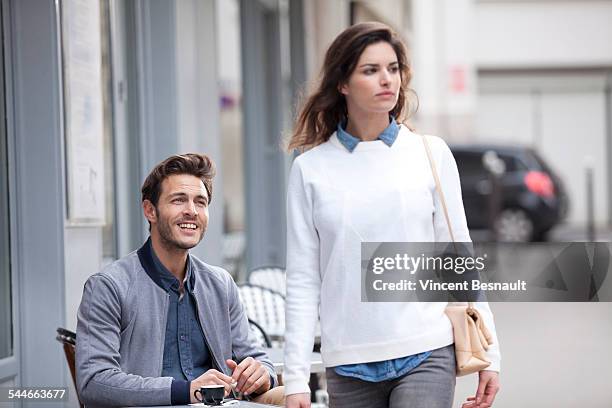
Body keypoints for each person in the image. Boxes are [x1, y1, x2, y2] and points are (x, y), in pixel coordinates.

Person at [283, 22, 501, 408]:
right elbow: (303, 278)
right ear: (343, 83)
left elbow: (458, 257)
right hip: (348, 364)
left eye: (393, 68)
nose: (387, 79)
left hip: (427, 351)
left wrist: (490, 354)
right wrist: (297, 377)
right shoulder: (310, 169)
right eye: (370, 70)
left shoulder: (430, 153)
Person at [76, 153, 284, 407]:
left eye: (201, 202)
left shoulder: (220, 283)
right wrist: (186, 391)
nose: (191, 211)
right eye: (178, 200)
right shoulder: (108, 287)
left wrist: (262, 374)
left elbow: (258, 358)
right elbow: (94, 382)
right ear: (150, 210)